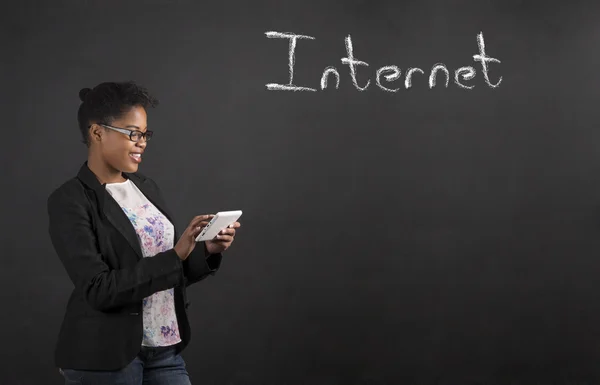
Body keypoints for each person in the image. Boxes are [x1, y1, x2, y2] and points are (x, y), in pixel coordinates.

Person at [47, 81, 240, 384]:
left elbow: (168, 272)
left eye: (145, 134)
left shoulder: (146, 188)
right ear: (97, 132)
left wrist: (206, 251)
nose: (142, 143)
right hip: (106, 356)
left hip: (164, 350)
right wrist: (176, 254)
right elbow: (99, 289)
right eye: (132, 134)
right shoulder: (70, 200)